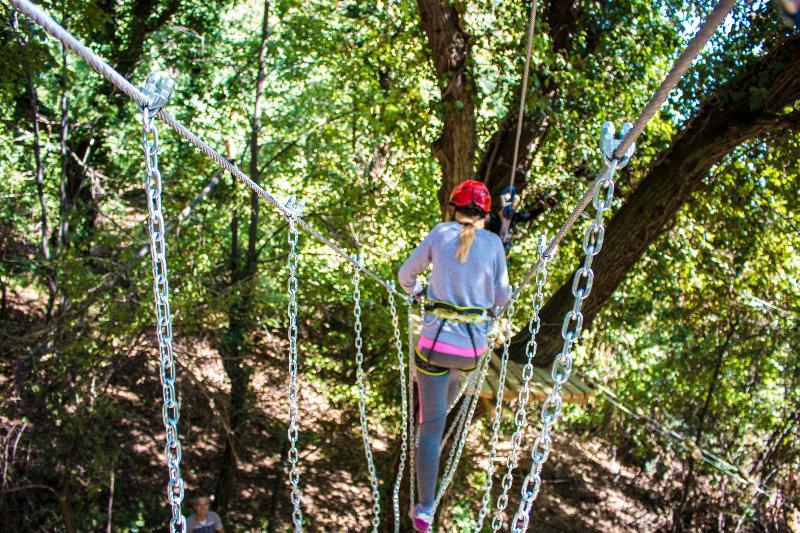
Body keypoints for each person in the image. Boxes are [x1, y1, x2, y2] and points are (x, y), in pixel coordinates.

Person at [398, 180, 510, 532]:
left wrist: (417, 292)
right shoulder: (493, 244)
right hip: (470, 352)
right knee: (439, 413)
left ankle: (425, 509)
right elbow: (502, 299)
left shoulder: (439, 233)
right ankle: (434, 419)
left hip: (434, 346)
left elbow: (405, 275)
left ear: (453, 208)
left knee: (429, 428)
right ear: (485, 215)